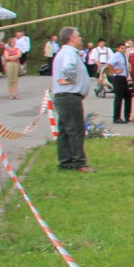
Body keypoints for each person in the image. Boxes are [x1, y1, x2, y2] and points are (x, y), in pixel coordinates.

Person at [50, 27, 94, 173]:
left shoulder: (66, 52)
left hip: (64, 96)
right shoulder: (69, 52)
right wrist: (71, 80)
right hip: (69, 96)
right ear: (71, 38)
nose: (81, 38)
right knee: (75, 130)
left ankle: (65, 162)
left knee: (65, 131)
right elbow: (68, 68)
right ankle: (79, 163)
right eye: (78, 36)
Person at [105, 41, 130, 122]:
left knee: (128, 96)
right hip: (118, 78)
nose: (124, 50)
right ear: (118, 48)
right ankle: (116, 117)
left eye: (124, 48)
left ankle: (127, 116)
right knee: (118, 97)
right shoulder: (116, 55)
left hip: (123, 78)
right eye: (122, 48)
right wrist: (115, 71)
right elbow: (109, 65)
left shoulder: (123, 56)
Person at [0, 34, 21, 100]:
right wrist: (13, 57)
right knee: (10, 79)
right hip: (9, 64)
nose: (13, 43)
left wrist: (12, 57)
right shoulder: (6, 50)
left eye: (14, 42)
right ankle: (10, 94)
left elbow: (19, 55)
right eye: (12, 42)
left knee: (15, 79)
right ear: (10, 43)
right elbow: (6, 57)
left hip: (16, 63)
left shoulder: (17, 49)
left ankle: (15, 93)